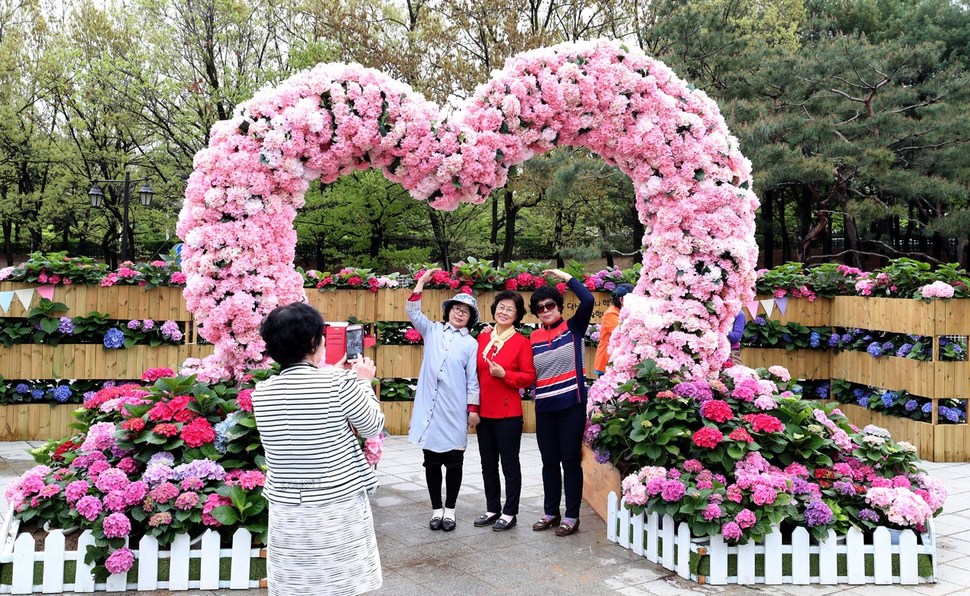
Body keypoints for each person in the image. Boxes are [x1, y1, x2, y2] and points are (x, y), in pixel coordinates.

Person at [252, 302, 384, 596]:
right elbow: (372, 426)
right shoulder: (341, 383)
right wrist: (361, 382)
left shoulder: (262, 392)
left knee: (296, 584)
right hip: (335, 504)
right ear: (314, 342)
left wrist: (339, 377)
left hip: (287, 507)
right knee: (339, 583)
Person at [407, 267, 481, 532]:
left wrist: (473, 408)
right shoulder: (433, 330)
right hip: (430, 407)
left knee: (454, 461)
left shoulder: (471, 344)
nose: (459, 313)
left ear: (470, 317)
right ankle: (436, 508)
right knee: (432, 461)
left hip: (454, 408)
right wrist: (421, 283)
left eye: (465, 311)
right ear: (448, 310)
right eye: (456, 308)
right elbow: (413, 312)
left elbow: (473, 379)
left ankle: (450, 509)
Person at [529, 268, 594, 537]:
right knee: (549, 461)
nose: (545, 310)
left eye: (550, 305)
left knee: (569, 460)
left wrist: (565, 277)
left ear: (559, 306)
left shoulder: (574, 327)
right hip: (545, 407)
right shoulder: (532, 338)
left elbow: (588, 300)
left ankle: (571, 516)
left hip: (571, 404)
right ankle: (550, 512)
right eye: (540, 308)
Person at [473, 290, 536, 532]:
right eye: (501, 307)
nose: (504, 311)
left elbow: (530, 377)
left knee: (509, 464)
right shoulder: (482, 338)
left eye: (510, 309)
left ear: (518, 315)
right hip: (483, 412)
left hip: (509, 414)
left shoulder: (521, 342)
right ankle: (492, 508)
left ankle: (510, 512)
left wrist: (505, 375)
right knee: (487, 463)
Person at [593, 283, 635, 376]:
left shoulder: (624, 311)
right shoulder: (611, 313)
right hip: (608, 358)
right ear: (621, 300)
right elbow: (622, 333)